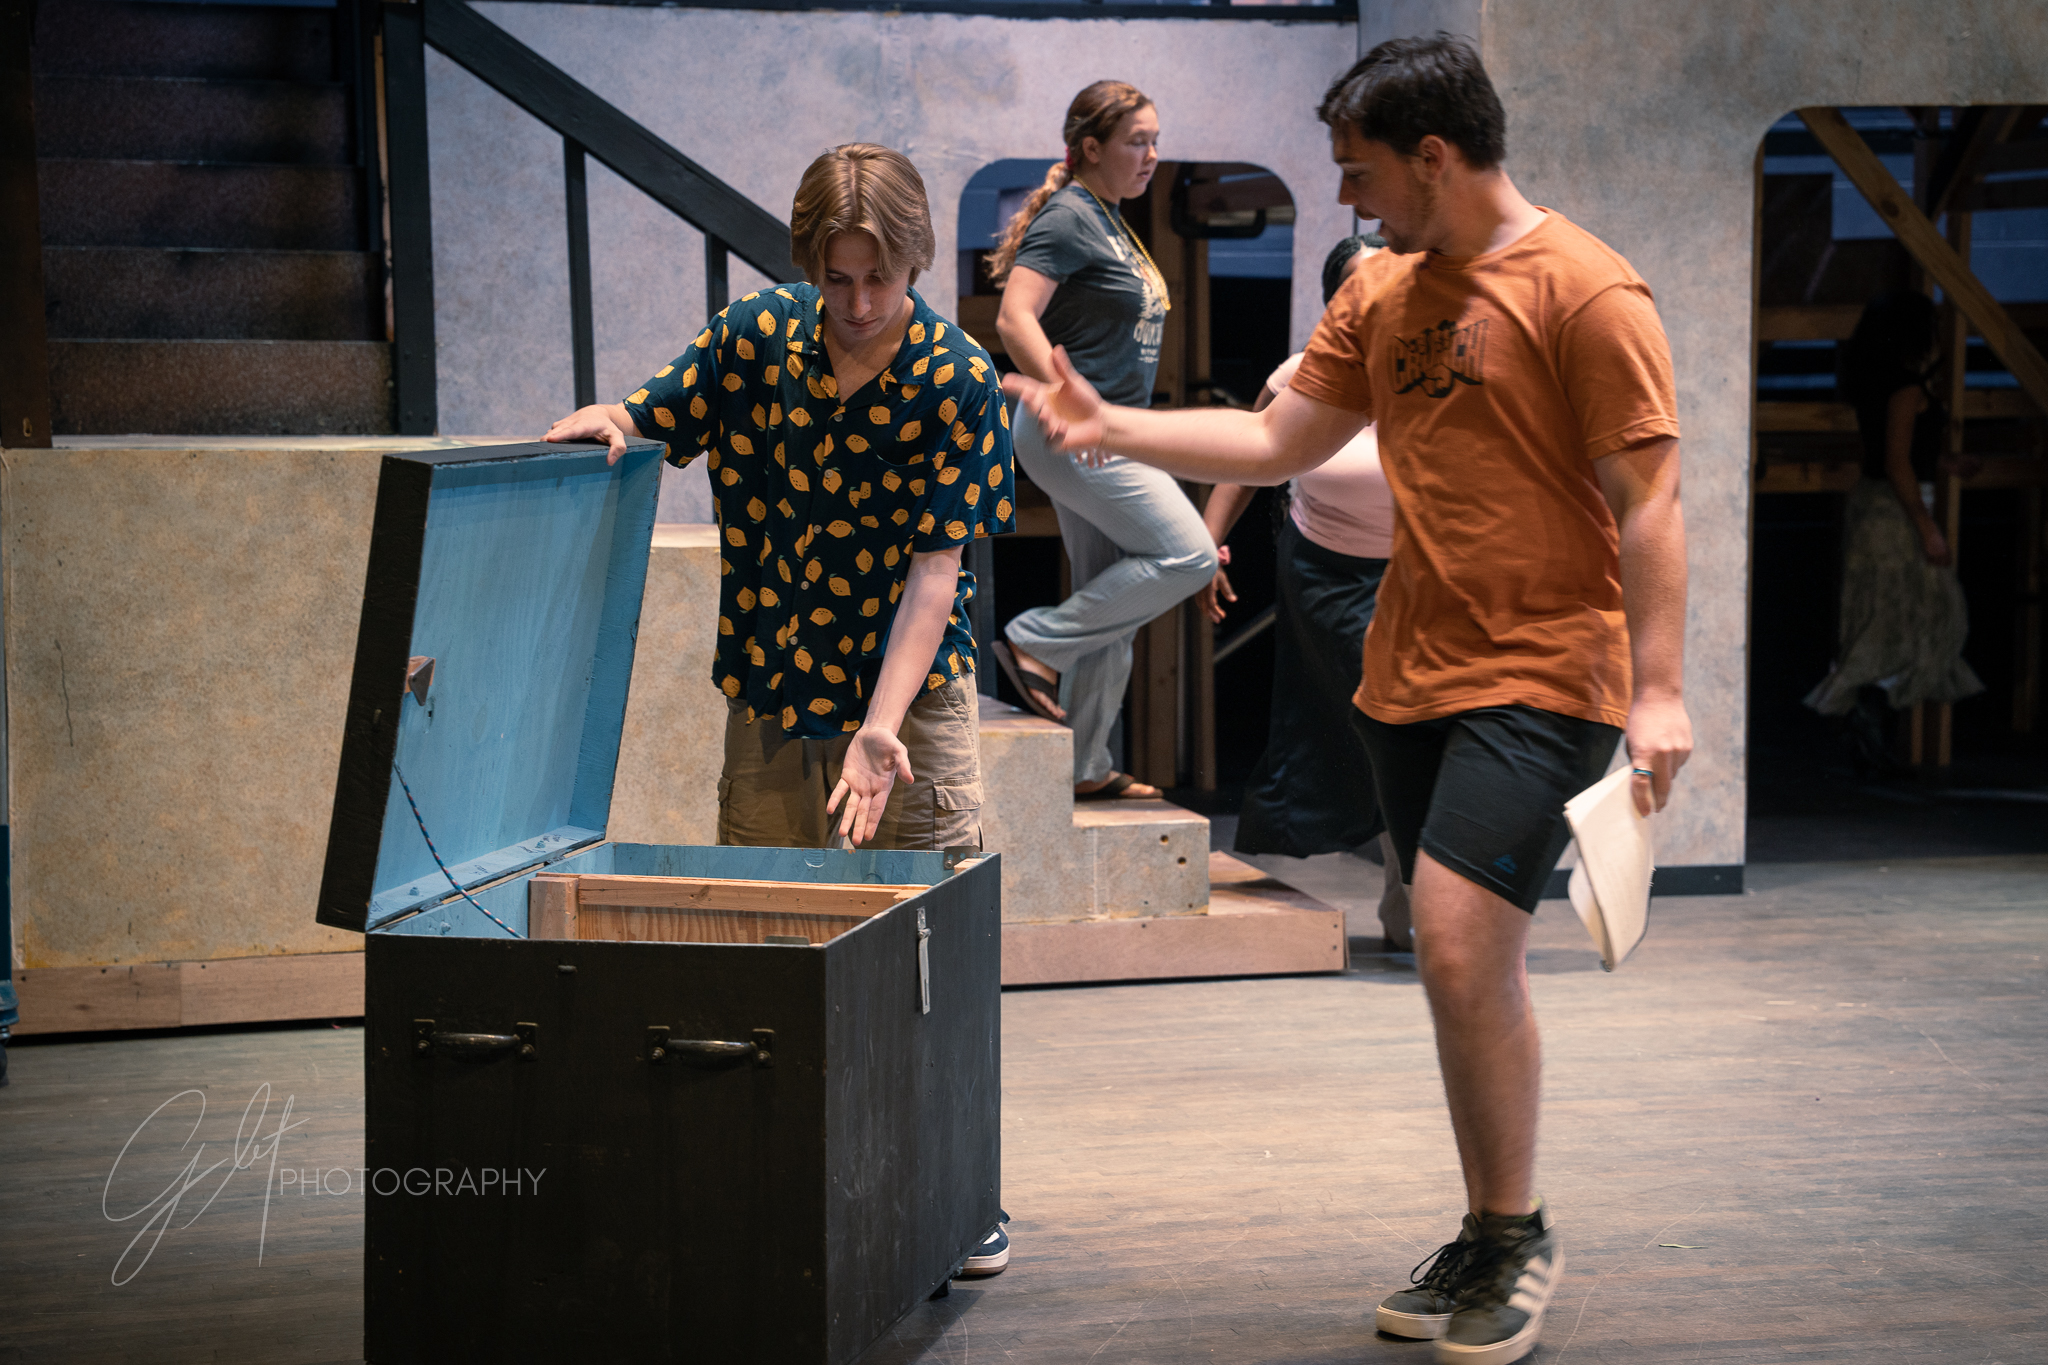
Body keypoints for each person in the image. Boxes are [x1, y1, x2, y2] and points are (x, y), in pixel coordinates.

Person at [1004, 36, 1691, 1362]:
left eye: (1360, 171)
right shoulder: (1380, 292)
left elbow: (1649, 501)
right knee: (1454, 964)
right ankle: (1490, 1224)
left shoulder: (1588, 292)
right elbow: (1276, 441)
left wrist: (1659, 691)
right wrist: (1114, 426)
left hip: (1550, 671)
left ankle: (1514, 1235)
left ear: (1432, 155)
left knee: (1449, 938)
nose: (1350, 200)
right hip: (1410, 669)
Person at [545, 143, 1016, 1274]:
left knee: (922, 943)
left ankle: (956, 1192)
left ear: (912, 264)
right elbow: (658, 413)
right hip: (769, 691)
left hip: (906, 708)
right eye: (837, 277)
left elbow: (934, 576)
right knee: (762, 937)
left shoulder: (956, 379)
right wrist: (610, 420)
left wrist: (879, 726)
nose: (857, 304)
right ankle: (780, 1170)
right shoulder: (756, 340)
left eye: (881, 280)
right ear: (812, 262)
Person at [986, 80, 1218, 801]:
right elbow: (1013, 317)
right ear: (1090, 148)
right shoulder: (1071, 218)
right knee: (1189, 554)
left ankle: (1085, 764)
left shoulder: (1112, 220)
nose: (1152, 154)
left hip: (1106, 432)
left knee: (1114, 600)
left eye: (1155, 139)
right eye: (1136, 141)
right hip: (1074, 432)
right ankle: (1035, 638)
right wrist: (1057, 390)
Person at [1200, 233, 1411, 947]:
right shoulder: (1300, 375)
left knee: (1412, 726)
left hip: (1418, 574)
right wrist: (1208, 542)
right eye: (1363, 285)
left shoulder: (1425, 374)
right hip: (1326, 571)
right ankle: (1411, 888)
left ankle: (1411, 892)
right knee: (1386, 718)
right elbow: (1247, 458)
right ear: (1337, 303)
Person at [1802, 289, 1983, 763]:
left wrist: (1944, 462)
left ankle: (1869, 727)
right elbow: (1897, 462)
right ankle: (1868, 722)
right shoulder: (1905, 389)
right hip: (1891, 513)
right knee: (1908, 620)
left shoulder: (1886, 385)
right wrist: (1927, 527)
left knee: (1892, 621)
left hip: (1880, 509)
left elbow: (1903, 452)